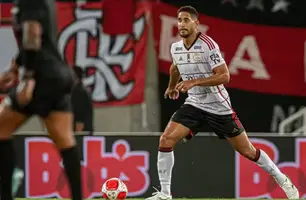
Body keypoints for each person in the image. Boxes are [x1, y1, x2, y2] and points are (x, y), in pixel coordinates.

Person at [146, 5, 299, 200]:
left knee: (248, 151)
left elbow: (225, 76)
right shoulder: (176, 47)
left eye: (186, 20)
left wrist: (194, 81)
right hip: (194, 104)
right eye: (179, 20)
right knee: (166, 140)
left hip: (219, 107)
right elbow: (175, 68)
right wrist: (171, 86)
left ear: (196, 23)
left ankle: (281, 178)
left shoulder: (208, 45)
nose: (182, 24)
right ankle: (165, 194)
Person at [0, 0, 83, 199]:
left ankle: (5, 196)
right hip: (58, 77)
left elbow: (33, 33)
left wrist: (28, 78)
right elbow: (38, 40)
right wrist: (14, 68)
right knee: (65, 140)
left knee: (1, 128)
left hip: (42, 78)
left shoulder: (30, 2)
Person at [71, 66, 93, 134]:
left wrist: (77, 137)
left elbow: (79, 120)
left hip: (82, 135)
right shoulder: (82, 90)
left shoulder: (79, 92)